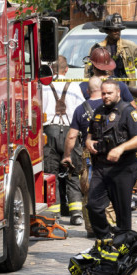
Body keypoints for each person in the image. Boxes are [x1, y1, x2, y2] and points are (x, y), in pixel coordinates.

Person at [85, 79, 137, 239]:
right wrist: (88, 142)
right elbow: (90, 134)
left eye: (109, 93)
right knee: (93, 205)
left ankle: (123, 244)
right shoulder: (99, 111)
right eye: (103, 93)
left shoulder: (128, 111)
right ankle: (105, 238)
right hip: (101, 167)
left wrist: (121, 148)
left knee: (122, 212)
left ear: (118, 92)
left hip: (123, 168)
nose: (105, 96)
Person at [62, 77, 115, 238]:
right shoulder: (111, 105)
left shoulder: (80, 109)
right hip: (110, 152)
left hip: (88, 154)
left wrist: (67, 155)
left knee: (88, 190)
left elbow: (72, 136)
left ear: (87, 91)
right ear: (102, 89)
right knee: (109, 188)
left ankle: (91, 227)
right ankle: (110, 224)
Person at [42, 55, 86, 225]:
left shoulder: (43, 85)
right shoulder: (74, 85)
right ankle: (76, 214)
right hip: (70, 133)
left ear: (51, 69)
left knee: (50, 174)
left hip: (49, 133)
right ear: (66, 69)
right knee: (73, 173)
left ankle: (54, 214)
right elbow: (81, 111)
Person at [92, 13, 137, 86]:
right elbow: (89, 72)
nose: (117, 32)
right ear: (107, 31)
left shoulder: (130, 47)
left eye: (119, 29)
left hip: (126, 90)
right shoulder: (97, 49)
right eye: (114, 29)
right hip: (106, 90)